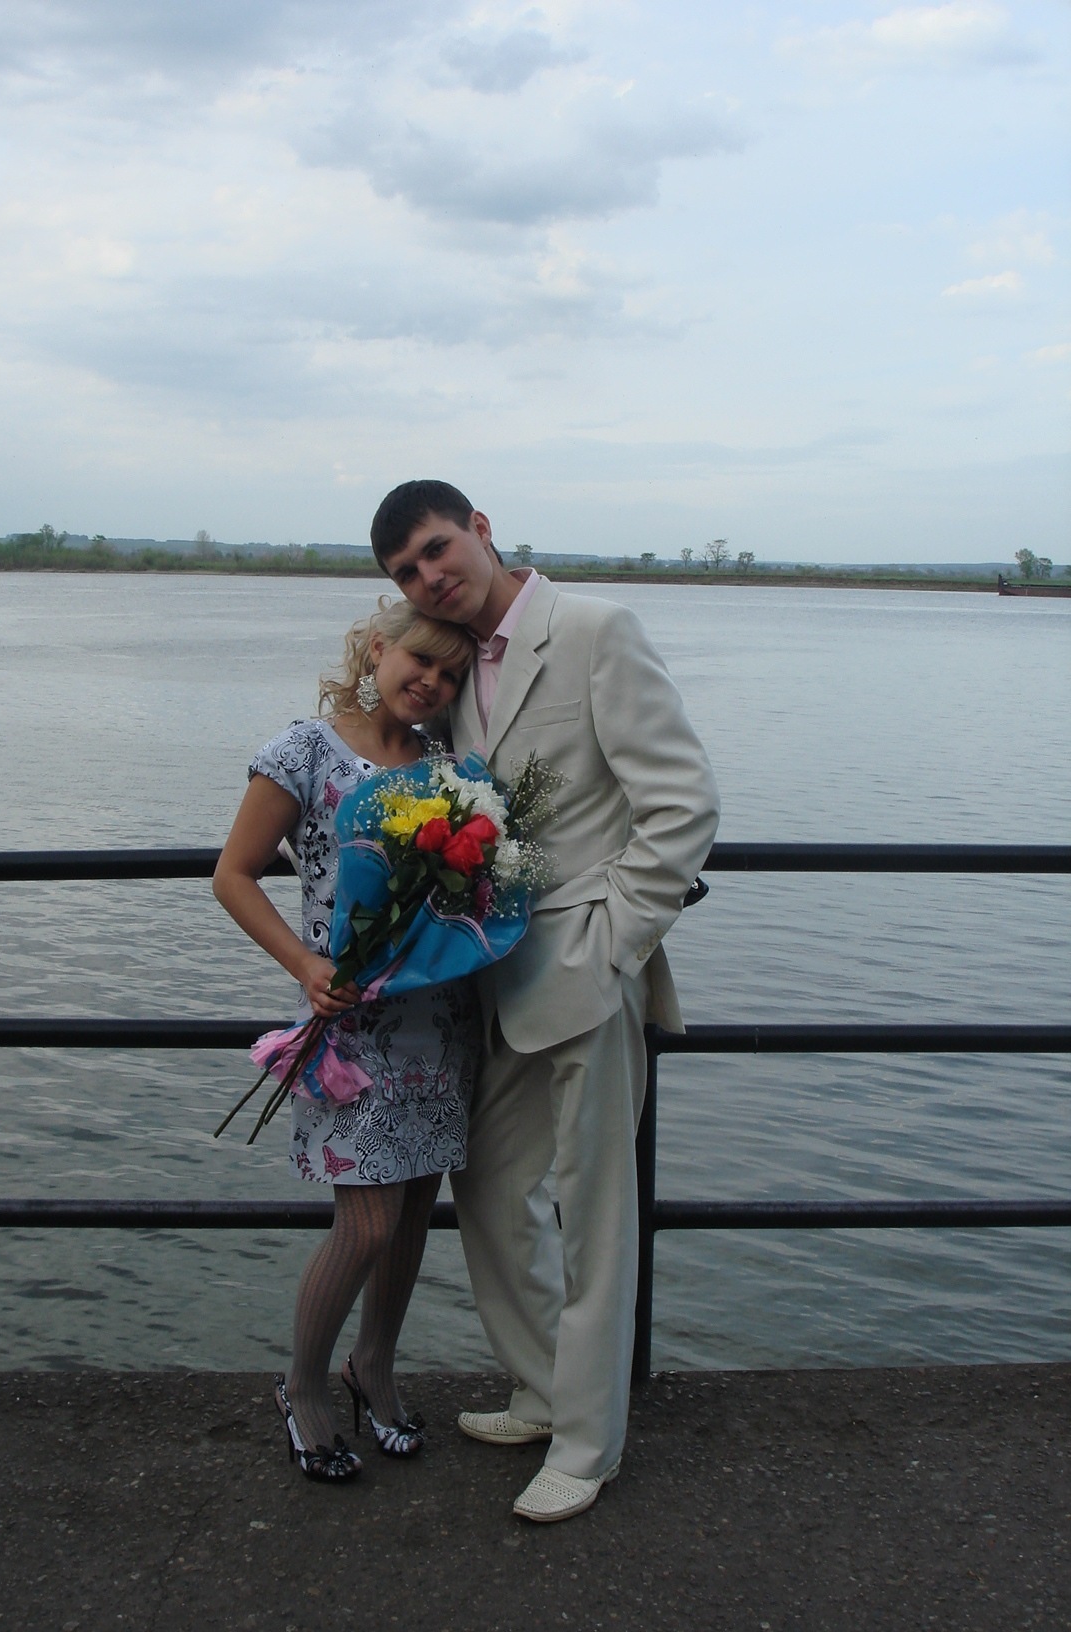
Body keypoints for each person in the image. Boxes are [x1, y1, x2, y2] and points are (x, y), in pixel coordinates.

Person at [370, 479, 720, 1522]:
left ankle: (588, 1443)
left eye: (437, 549)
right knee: (485, 1190)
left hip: (587, 970)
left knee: (597, 1214)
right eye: (405, 572)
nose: (429, 576)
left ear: (480, 529)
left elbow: (682, 803)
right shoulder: (450, 665)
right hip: (494, 977)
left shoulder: (597, 630)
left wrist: (616, 944)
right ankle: (543, 1389)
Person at [213, 598, 480, 1483]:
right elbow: (233, 874)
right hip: (348, 1025)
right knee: (364, 1224)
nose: (430, 681)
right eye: (419, 660)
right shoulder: (306, 749)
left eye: (449, 673)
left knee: (411, 1215)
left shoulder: (448, 771)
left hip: (437, 1022)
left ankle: (375, 1367)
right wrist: (304, 964)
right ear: (376, 650)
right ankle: (303, 1385)